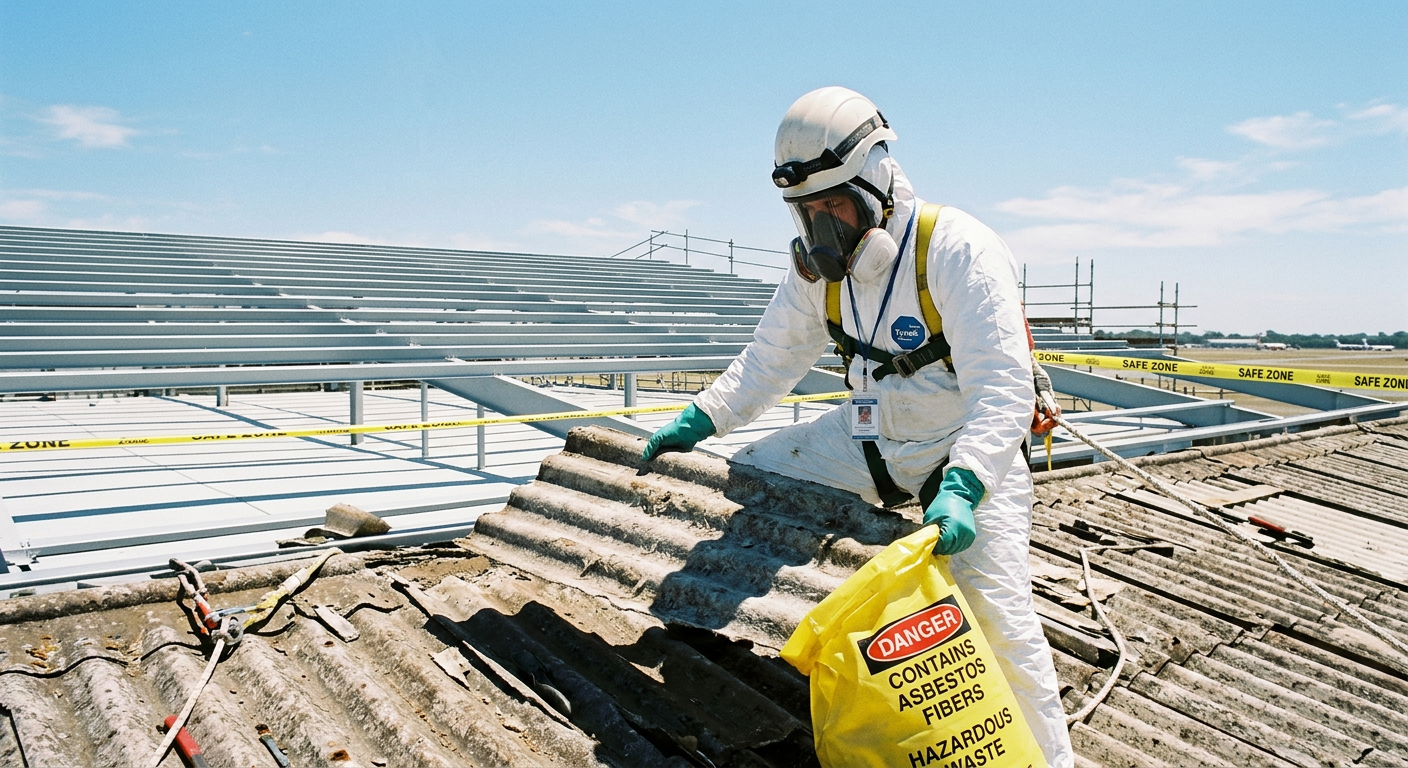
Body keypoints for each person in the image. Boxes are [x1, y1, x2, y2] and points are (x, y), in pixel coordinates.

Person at [641, 86, 1073, 767]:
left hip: (959, 457)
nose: (823, 226)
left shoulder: (956, 249)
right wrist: (703, 417)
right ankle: (757, 622)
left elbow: (1002, 390)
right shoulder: (820, 272)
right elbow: (770, 358)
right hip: (867, 440)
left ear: (875, 181)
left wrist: (964, 484)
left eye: (834, 204)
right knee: (760, 477)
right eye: (806, 211)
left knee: (1004, 627)